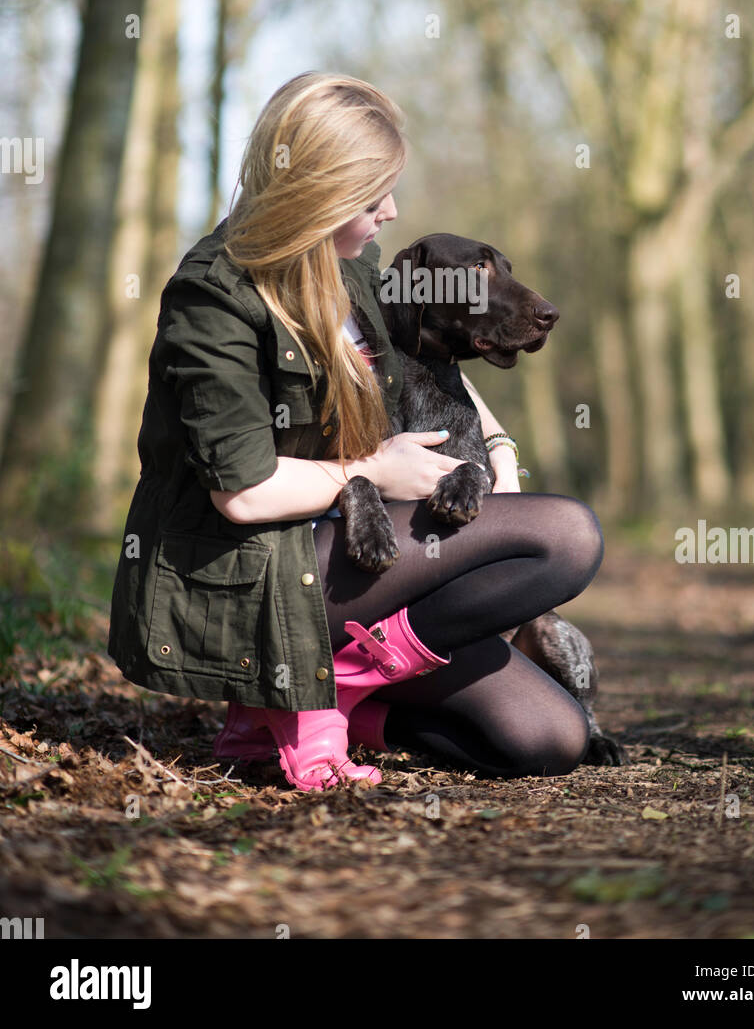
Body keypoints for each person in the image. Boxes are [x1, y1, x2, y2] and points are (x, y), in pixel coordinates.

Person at [107, 71, 605, 792]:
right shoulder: (212, 296)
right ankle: (288, 687)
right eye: (372, 197)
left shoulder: (355, 270)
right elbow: (242, 495)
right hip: (251, 574)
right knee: (565, 537)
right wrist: (371, 470)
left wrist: (499, 449)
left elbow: (434, 361)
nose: (392, 211)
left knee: (546, 737)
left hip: (351, 564)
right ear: (316, 192)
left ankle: (344, 695)